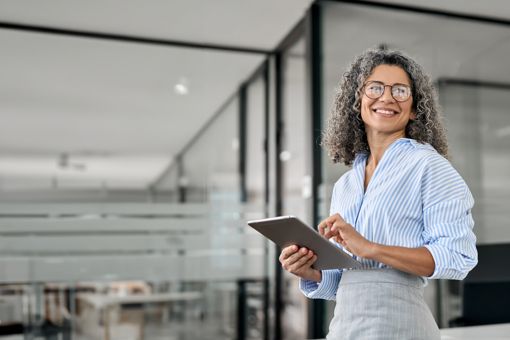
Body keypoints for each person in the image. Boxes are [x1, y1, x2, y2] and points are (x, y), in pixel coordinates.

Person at [278, 48, 478, 339]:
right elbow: (349, 280)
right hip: (346, 327)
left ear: (414, 107)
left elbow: (458, 257)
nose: (386, 98)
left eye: (400, 90)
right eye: (375, 88)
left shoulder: (429, 166)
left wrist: (370, 248)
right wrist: (311, 271)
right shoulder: (346, 184)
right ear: (357, 100)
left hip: (400, 325)